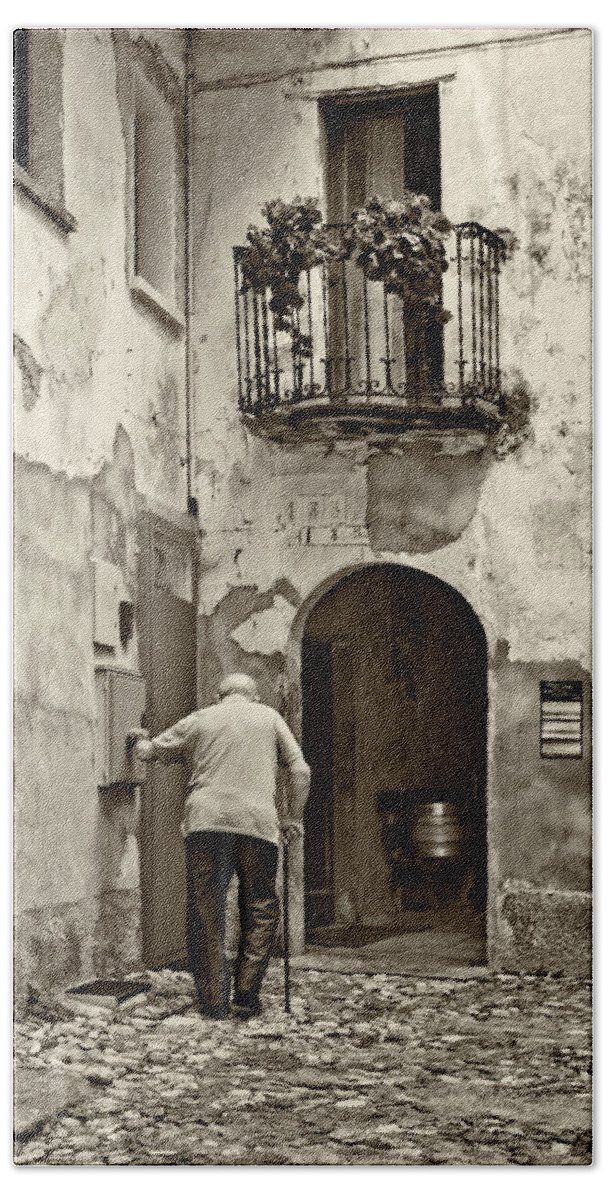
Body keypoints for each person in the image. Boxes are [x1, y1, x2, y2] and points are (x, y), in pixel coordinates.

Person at [127, 673, 310, 1021]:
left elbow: (148, 752)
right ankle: (245, 993)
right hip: (257, 824)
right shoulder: (270, 718)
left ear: (218, 695)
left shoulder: (202, 717)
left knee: (206, 910)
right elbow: (301, 771)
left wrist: (138, 738)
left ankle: (213, 1001)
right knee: (260, 906)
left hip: (207, 823)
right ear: (254, 696)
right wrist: (294, 818)